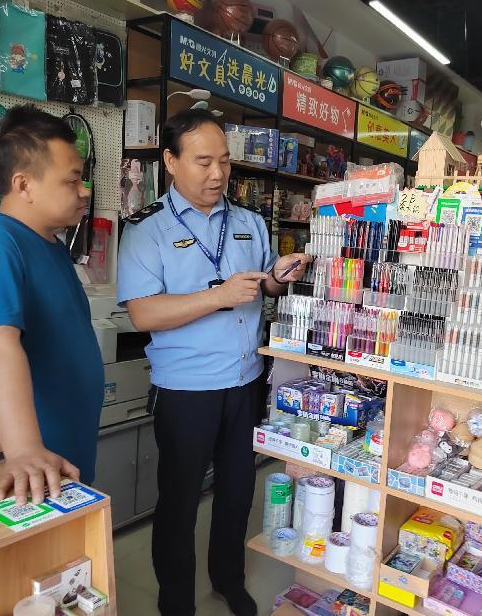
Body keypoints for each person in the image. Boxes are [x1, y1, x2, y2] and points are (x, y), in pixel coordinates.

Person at [117, 109, 310, 616]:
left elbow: (263, 286)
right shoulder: (147, 230)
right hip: (185, 389)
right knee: (180, 503)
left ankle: (229, 579)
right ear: (170, 162)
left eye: (224, 161)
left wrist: (278, 276)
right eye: (203, 162)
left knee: (237, 491)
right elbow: (142, 313)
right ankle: (176, 600)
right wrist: (217, 296)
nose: (218, 173)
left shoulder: (247, 221)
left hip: (245, 381)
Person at [0, 105, 103, 505]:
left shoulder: (50, 245)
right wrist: (23, 451)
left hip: (61, 460)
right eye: (72, 180)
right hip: (26, 473)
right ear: (23, 185)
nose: (84, 190)